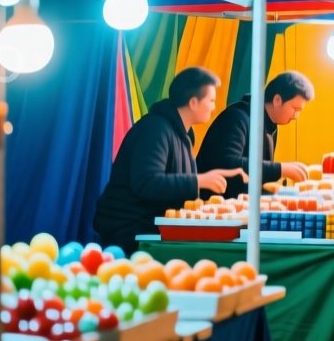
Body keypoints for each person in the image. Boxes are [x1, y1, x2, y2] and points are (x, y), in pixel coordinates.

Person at [94, 67, 238, 251]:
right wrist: (199, 181)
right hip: (130, 235)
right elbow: (147, 182)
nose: (214, 106)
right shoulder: (155, 130)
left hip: (154, 231)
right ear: (193, 102)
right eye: (210, 100)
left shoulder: (182, 134)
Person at [196, 71, 313, 195]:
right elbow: (228, 163)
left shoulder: (270, 125)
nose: (296, 116)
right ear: (277, 100)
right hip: (213, 206)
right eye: (295, 109)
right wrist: (280, 169)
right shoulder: (237, 117)